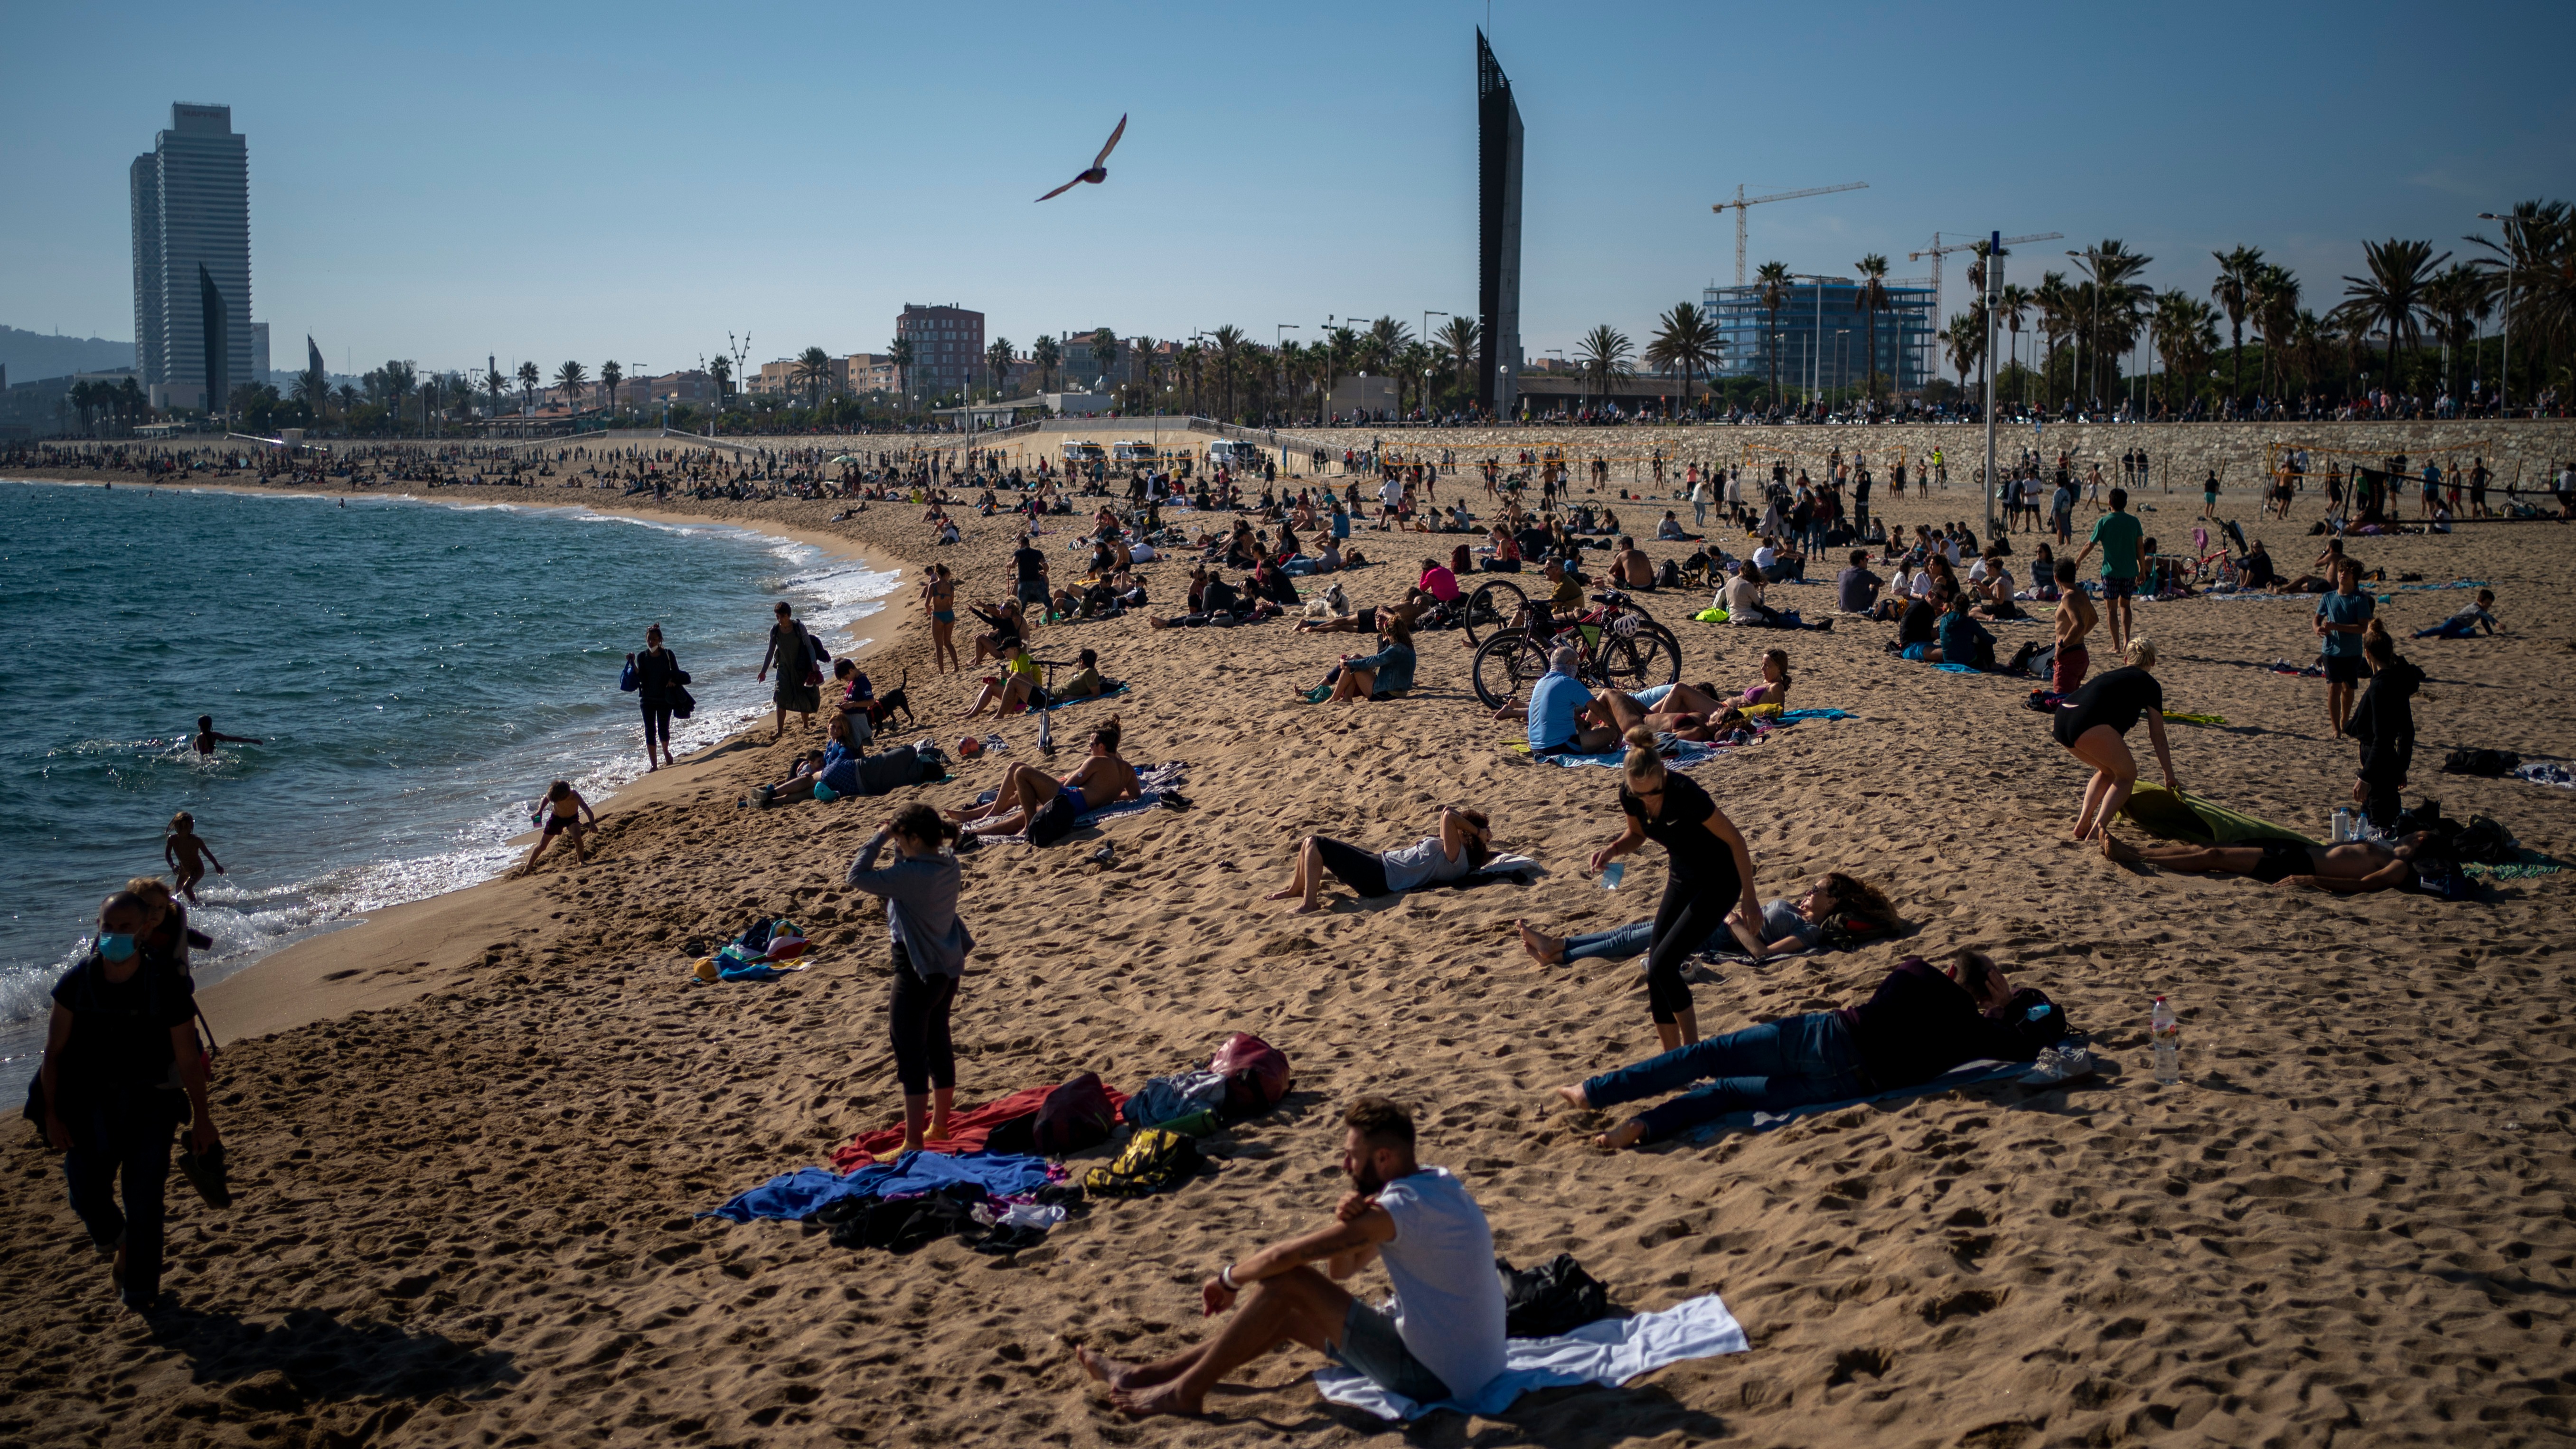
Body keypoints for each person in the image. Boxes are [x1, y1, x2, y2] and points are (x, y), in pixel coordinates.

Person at [1078, 1096, 1506, 1418]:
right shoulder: (1437, 1185)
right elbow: (1342, 1272)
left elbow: (1286, 1256)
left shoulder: (1397, 1210)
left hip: (1435, 1379)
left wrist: (1228, 1279)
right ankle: (1143, 1376)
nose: (1345, 1165)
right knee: (1287, 1313)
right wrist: (1348, 1226)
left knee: (1287, 1282)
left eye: (1352, 1155)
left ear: (1383, 1157)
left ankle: (1184, 1393)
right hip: (1474, 1368)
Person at [1553, 950, 2055, 1148]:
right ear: (1985, 990)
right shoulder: (1973, 1032)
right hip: (1849, 1085)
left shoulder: (1915, 971)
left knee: (1706, 1057)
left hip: (1823, 1039)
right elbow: (2021, 1046)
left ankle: (1594, 1092)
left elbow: (1915, 988)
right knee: (1729, 1093)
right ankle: (1643, 1126)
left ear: (1951, 970)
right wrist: (2002, 1006)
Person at [37, 891, 223, 1313]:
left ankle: (140, 1291)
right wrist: (51, 1114)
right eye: (108, 926)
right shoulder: (76, 982)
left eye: (125, 927)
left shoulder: (166, 984)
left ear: (143, 930)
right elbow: (54, 1053)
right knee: (84, 1192)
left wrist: (203, 1118)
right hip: (89, 1106)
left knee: (144, 1200)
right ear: (97, 927)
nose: (115, 934)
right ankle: (121, 1243)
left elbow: (187, 1058)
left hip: (151, 1106)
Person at [1592, 727, 1766, 1048]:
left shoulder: (1686, 793)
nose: (1648, 799)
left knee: (1663, 965)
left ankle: (1692, 1051)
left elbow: (1736, 841)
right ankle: (1672, 1056)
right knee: (1655, 972)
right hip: (1682, 877)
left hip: (1719, 881)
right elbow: (1638, 834)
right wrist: (1613, 850)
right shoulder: (1631, 795)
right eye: (1640, 794)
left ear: (1663, 772)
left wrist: (1750, 899)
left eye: (1654, 792)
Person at [844, 804, 975, 1154]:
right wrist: (897, 839)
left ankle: (913, 1142)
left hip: (916, 972)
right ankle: (940, 1127)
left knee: (911, 1055)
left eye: (901, 840)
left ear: (915, 838)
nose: (897, 845)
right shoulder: (947, 861)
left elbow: (856, 875)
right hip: (947, 968)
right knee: (938, 1043)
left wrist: (879, 837)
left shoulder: (910, 876)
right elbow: (911, 861)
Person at [1516, 871, 1899, 967]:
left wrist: (1732, 921)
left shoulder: (1810, 931)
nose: (1808, 892)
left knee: (1635, 941)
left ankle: (1559, 953)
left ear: (1833, 901)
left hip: (1713, 936)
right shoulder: (1800, 914)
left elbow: (1763, 954)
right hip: (1711, 921)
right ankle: (1561, 946)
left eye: (1816, 890)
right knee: (1633, 931)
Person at [2051, 638, 2176, 842]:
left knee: (2109, 771)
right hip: (2086, 722)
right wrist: (2169, 774)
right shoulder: (2150, 684)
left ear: (2126, 660)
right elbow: (2158, 735)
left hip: (2062, 718)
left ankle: (2083, 823)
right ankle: (2096, 831)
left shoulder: (2112, 675)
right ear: (2153, 663)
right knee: (2128, 775)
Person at [1267, 806, 1495, 914]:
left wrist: (1478, 832)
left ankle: (1309, 904)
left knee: (1316, 844)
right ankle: (1296, 889)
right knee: (1310, 842)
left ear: (1466, 834)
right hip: (1382, 865)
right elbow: (1451, 816)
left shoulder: (1457, 856)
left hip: (1379, 877)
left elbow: (1447, 815)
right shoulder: (1457, 857)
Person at [951, 719, 1142, 845]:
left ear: (1102, 746)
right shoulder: (1127, 769)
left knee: (1021, 772)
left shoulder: (1096, 762)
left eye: (1091, 744)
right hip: (1080, 806)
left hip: (1071, 800)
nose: (1089, 748)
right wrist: (1110, 796)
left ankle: (1025, 825)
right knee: (1019, 816)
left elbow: (1068, 785)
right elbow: (1135, 795)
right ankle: (975, 834)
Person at [2100, 828, 2439, 894]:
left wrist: (2313, 880)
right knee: (2211, 847)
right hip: (2297, 851)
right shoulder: (2387, 848)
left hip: (2300, 866)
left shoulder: (2399, 866)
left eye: (2417, 831)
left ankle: (2133, 856)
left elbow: (2365, 885)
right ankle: (2134, 850)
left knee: (2215, 858)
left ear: (2421, 840)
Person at [2348, 621, 2422, 831]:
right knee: (2378, 819)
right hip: (2388, 763)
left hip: (2378, 764)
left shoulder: (2380, 686)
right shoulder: (2398, 682)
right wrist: (2401, 766)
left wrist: (2365, 777)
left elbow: (2383, 737)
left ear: (2368, 654)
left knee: (2379, 827)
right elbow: (2407, 732)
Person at [2071, 487, 2144, 659]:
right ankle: (2127, 641)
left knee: (2111, 609)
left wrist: (2078, 560)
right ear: (2125, 503)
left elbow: (2090, 545)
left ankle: (2116, 646)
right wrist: (2142, 569)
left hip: (2111, 572)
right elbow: (2140, 547)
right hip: (2129, 571)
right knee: (2125, 606)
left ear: (2110, 502)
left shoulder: (2104, 522)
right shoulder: (2134, 522)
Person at [1509, 646, 1616, 754]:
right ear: (1570, 664)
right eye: (1576, 665)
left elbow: (1564, 711)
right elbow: (1597, 708)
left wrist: (1584, 723)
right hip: (1559, 747)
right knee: (1612, 732)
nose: (1577, 669)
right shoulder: (1568, 683)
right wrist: (1617, 731)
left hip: (1536, 747)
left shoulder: (1541, 682)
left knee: (1579, 724)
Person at [2315, 558, 2374, 738]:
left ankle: (2345, 721)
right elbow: (2317, 618)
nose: (2343, 574)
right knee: (2334, 688)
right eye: (2341, 571)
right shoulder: (2328, 597)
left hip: (2352, 653)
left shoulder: (2360, 600)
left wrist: (2337, 627)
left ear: (2354, 577)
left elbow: (2363, 628)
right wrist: (2317, 628)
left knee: (2348, 689)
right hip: (2330, 651)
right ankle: (2336, 729)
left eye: (2348, 572)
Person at [756, 602, 823, 743]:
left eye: (782, 616)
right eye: (777, 617)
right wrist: (763, 671)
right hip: (784, 669)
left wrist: (813, 663)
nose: (779, 619)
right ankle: (780, 732)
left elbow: (809, 646)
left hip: (801, 667)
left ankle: (805, 725)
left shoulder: (799, 628)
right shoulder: (775, 630)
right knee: (780, 697)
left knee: (803, 695)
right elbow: (770, 652)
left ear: (789, 615)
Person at [1319, 616, 1418, 704]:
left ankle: (1334, 699)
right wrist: (1352, 662)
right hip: (1399, 691)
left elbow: (1375, 661)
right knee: (1356, 659)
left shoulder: (1396, 649)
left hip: (1387, 693)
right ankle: (1347, 698)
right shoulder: (1408, 647)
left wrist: (1347, 663)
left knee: (1352, 666)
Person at [630, 623, 684, 772]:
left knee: (663, 729)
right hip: (647, 699)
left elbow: (676, 672)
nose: (651, 642)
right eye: (649, 639)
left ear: (660, 640)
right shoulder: (642, 656)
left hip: (664, 699)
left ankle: (666, 751)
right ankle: (654, 765)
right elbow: (641, 677)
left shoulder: (668, 654)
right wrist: (633, 663)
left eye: (654, 639)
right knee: (650, 730)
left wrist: (672, 681)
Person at [519, 780, 597, 874]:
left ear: (566, 796)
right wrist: (540, 811)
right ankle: (529, 866)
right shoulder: (555, 794)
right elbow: (547, 798)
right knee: (542, 845)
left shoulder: (574, 796)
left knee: (577, 838)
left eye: (558, 801)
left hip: (572, 819)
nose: (557, 802)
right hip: (556, 818)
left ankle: (581, 860)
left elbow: (588, 811)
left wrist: (592, 824)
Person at [962, 640, 1047, 719]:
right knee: (990, 685)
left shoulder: (1024, 659)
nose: (1004, 653)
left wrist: (1008, 676)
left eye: (1006, 651)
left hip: (1032, 695)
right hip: (1022, 694)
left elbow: (1028, 682)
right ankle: (971, 711)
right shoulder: (1015, 661)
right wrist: (998, 681)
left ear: (1015, 650)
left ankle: (973, 714)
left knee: (991, 687)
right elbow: (1009, 683)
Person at [2051, 559, 2097, 695]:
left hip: (2069, 655)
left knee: (2062, 700)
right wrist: (2078, 636)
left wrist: (2063, 645)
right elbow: (2094, 619)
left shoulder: (2068, 598)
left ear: (2056, 578)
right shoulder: (2082, 593)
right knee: (2073, 698)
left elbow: (2078, 625)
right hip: (2081, 653)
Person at [162, 813, 225, 904]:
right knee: (178, 891)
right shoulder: (172, 839)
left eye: (186, 827)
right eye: (181, 827)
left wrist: (217, 866)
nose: (183, 829)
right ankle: (184, 907)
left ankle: (196, 907)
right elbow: (168, 854)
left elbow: (207, 854)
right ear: (176, 826)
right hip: (184, 870)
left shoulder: (196, 840)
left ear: (191, 827)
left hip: (198, 869)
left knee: (186, 889)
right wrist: (173, 866)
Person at [2415, 588, 2500, 639]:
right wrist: (2496, 623)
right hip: (2454, 622)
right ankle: (2418, 635)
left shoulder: (2484, 609)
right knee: (2441, 629)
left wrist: (2491, 634)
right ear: (2480, 601)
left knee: (2472, 632)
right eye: (2488, 603)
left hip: (2462, 627)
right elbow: (2485, 616)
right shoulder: (2475, 607)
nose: (2489, 606)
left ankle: (2448, 635)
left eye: (2491, 604)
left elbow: (2484, 622)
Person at [926, 564, 961, 675]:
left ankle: (942, 671)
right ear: (946, 574)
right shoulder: (951, 587)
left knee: (939, 646)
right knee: (948, 643)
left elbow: (927, 603)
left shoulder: (933, 586)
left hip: (938, 616)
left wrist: (928, 608)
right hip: (950, 615)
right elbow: (951, 603)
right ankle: (956, 667)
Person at [1011, 531, 1051, 608]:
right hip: (1039, 593)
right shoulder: (1038, 554)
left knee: (1017, 584)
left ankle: (1008, 602)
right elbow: (1046, 567)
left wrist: (1008, 564)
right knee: (1049, 604)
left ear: (1021, 544)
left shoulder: (1019, 553)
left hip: (1029, 594)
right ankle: (1008, 601)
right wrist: (1045, 572)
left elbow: (1013, 564)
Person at [1835, 550, 1883, 615]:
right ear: (1861, 562)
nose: (1867, 562)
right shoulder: (1866, 574)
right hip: (1861, 609)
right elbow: (1881, 583)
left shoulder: (1842, 574)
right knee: (1876, 586)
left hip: (1843, 608)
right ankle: (1869, 607)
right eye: (1866, 560)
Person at [191, 715, 259, 756]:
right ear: (211, 725)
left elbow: (199, 754)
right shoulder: (214, 735)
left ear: (199, 724)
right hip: (212, 758)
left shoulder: (199, 737)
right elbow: (233, 739)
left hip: (204, 761)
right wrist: (253, 741)